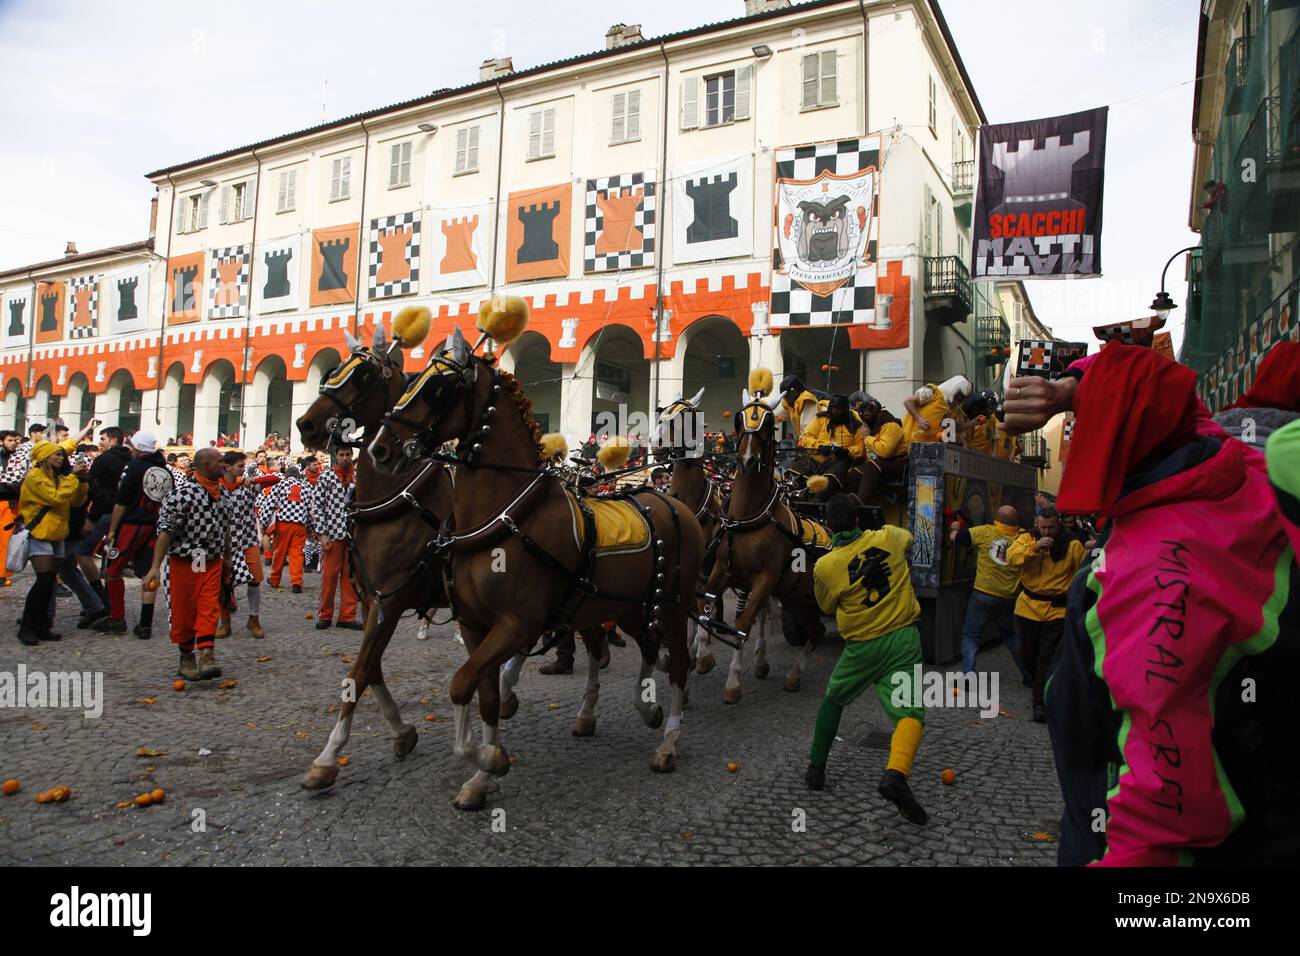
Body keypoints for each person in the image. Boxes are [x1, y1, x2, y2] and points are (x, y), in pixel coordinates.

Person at [1006, 342, 1298, 866]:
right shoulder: (1234, 460)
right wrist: (1072, 386)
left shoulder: (1152, 577)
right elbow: (1162, 387)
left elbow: (1161, 808)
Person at [806, 493, 928, 825]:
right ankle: (896, 773)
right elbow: (909, 539)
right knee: (910, 712)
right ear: (859, 520)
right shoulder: (888, 535)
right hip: (904, 639)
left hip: (862, 647)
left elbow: (827, 608)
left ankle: (816, 769)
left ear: (828, 528)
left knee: (834, 699)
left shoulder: (826, 566)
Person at [144, 448, 232, 682]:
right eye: (220, 462)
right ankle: (186, 657)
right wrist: (155, 566)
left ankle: (207, 654)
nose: (225, 465)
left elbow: (226, 531)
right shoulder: (182, 495)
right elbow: (165, 532)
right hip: (187, 560)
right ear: (205, 465)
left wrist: (228, 560)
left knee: (208, 606)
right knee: (185, 611)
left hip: (211, 561)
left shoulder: (223, 494)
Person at [1006, 507, 1084, 723]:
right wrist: (1034, 547)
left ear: (1058, 525)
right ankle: (1041, 686)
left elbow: (1081, 574)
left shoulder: (1072, 544)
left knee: (1046, 659)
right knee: (1026, 655)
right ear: (1037, 525)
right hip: (1028, 607)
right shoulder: (1026, 538)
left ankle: (1040, 702)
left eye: (1051, 528)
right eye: (1043, 528)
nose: (1047, 532)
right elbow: (1012, 559)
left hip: (1057, 610)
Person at [94, 430, 172, 638]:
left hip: (133, 524)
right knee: (148, 573)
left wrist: (112, 529)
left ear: (137, 447)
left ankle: (117, 618)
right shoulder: (166, 470)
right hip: (156, 525)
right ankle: (145, 624)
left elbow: (122, 499)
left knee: (113, 571)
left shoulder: (134, 466)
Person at [16, 436, 88, 645]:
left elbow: (75, 501)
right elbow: (55, 498)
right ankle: (27, 627)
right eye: (56, 454)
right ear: (45, 457)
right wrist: (73, 478)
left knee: (47, 584)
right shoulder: (35, 477)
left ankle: (41, 625)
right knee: (44, 580)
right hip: (40, 532)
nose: (61, 457)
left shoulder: (58, 477)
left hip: (57, 534)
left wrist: (81, 481)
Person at [949, 505, 1029, 681]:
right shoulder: (1024, 537)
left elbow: (958, 539)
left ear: (997, 519)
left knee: (970, 635)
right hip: (1008, 597)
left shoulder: (985, 532)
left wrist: (955, 528)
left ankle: (968, 674)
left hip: (983, 594)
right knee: (1010, 636)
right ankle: (1028, 674)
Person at [216, 451, 275, 639]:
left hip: (247, 540)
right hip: (224, 544)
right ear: (228, 467)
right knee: (223, 584)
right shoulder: (216, 488)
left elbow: (275, 478)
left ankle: (253, 619)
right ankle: (225, 622)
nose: (243, 469)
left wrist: (251, 481)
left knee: (255, 580)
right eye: (240, 466)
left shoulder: (248, 485)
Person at [75, 424, 129, 627]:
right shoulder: (131, 460)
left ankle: (100, 601)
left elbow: (94, 489)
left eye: (103, 439)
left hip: (105, 513)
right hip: (124, 515)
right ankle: (111, 606)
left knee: (82, 552)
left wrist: (91, 518)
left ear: (113, 440)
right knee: (111, 561)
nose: (100, 442)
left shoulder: (104, 459)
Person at [311, 447, 361, 630]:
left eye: (348, 455)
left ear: (352, 456)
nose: (345, 458)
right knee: (330, 577)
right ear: (336, 456)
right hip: (332, 535)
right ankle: (325, 615)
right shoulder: (326, 477)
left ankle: (347, 617)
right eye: (341, 455)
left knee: (350, 578)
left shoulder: (358, 478)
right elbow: (316, 507)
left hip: (353, 537)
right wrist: (322, 534)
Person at [798, 394, 865, 501]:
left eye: (839, 409)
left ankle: (816, 502)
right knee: (791, 467)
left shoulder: (855, 426)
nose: (835, 411)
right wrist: (819, 446)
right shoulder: (819, 419)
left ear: (845, 410)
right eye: (833, 408)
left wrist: (847, 451)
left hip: (838, 464)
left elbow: (861, 448)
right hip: (815, 461)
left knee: (835, 472)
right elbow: (805, 438)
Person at [260, 463, 313, 592]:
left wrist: (263, 522)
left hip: (283, 523)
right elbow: (312, 510)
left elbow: (269, 505)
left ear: (286, 476)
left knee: (280, 552)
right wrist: (310, 528)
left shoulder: (279, 485)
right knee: (297, 554)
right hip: (300, 525)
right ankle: (296, 582)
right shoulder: (306, 488)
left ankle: (275, 579)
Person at [852, 393, 907, 502]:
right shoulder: (868, 426)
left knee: (872, 465)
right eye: (864, 413)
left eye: (870, 411)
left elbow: (885, 451)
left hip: (896, 464)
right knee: (853, 473)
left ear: (878, 412)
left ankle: (860, 501)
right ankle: (850, 504)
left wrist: (867, 437)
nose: (866, 414)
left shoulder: (891, 425)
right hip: (877, 463)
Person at [902, 375, 972, 449]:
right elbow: (908, 402)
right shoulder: (932, 391)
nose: (959, 399)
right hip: (909, 444)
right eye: (959, 396)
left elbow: (955, 427)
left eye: (962, 398)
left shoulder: (955, 409)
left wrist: (973, 422)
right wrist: (919, 419)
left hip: (929, 450)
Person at [0, 429, 24, 587]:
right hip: (7, 500)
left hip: (10, 504)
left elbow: (19, 483)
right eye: (10, 440)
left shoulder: (20, 457)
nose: (14, 443)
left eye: (16, 440)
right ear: (1, 441)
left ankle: (2, 574)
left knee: (6, 540)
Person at [779, 375, 821, 442]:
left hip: (815, 446)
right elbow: (779, 416)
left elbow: (807, 430)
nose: (785, 399)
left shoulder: (807, 401)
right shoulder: (790, 404)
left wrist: (800, 443)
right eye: (784, 397)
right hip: (806, 445)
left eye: (787, 396)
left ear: (794, 392)